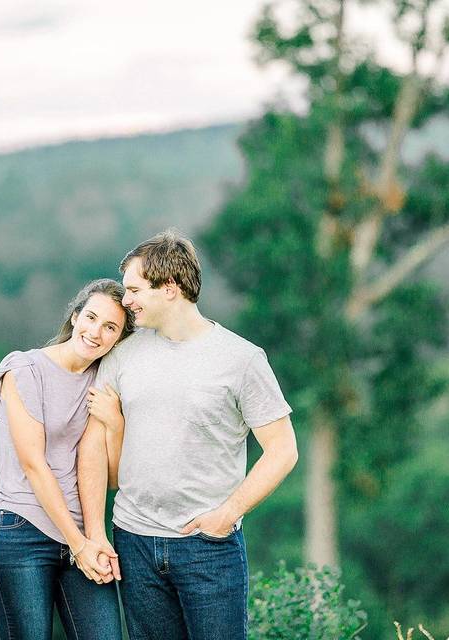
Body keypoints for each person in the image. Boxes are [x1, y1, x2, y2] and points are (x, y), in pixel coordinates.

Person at [78, 230, 299, 640]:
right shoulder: (122, 353)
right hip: (135, 542)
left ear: (170, 288)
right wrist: (95, 533)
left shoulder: (242, 359)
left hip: (208, 548)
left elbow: (283, 450)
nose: (125, 302)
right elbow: (93, 445)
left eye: (134, 290)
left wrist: (228, 513)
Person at [0, 278, 133, 640]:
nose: (96, 332)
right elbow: (34, 464)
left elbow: (108, 475)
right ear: (76, 315)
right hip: (22, 531)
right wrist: (78, 544)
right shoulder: (23, 370)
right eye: (91, 317)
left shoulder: (103, 382)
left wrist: (116, 423)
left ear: (119, 338)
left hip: (81, 536)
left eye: (110, 327)